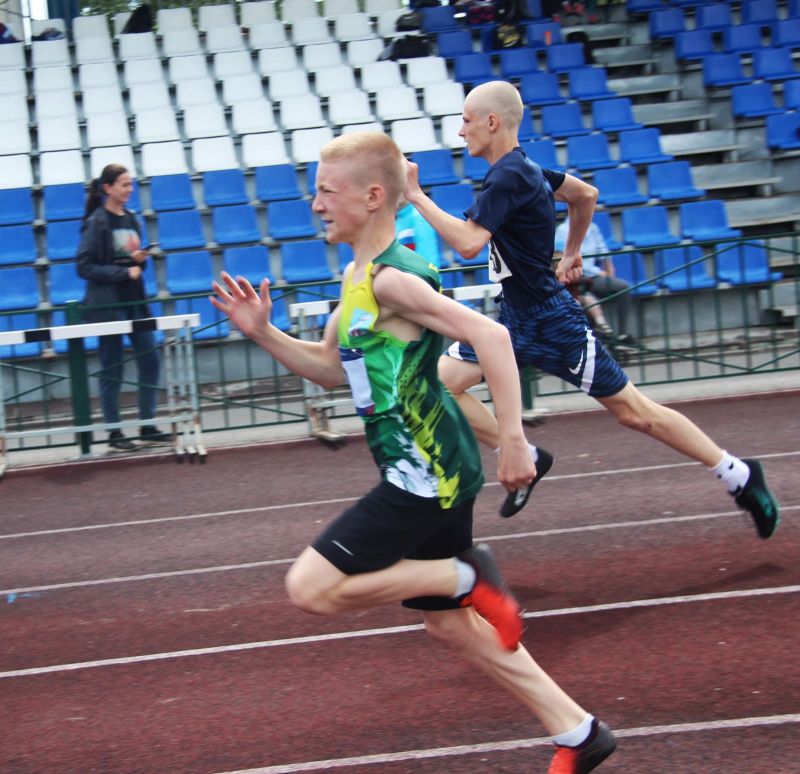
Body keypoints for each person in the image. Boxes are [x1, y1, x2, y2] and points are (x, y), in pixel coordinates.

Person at [210, 131, 617, 773]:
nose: (316, 204)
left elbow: (492, 337)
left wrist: (514, 441)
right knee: (450, 625)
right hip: (429, 463)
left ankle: (466, 576)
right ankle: (579, 732)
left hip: (426, 471)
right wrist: (264, 333)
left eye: (327, 191)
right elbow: (329, 369)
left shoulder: (393, 279)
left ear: (374, 197)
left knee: (312, 587)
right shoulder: (359, 277)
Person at [403, 80, 781, 539]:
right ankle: (523, 454)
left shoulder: (509, 175)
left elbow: (468, 243)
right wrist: (571, 253)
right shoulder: (528, 170)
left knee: (635, 413)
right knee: (434, 386)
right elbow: (585, 195)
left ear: (492, 122)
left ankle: (738, 474)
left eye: (466, 121)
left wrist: (416, 196)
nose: (461, 131)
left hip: (551, 322)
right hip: (511, 321)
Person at [76, 164, 170, 451]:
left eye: (131, 184)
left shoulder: (132, 218)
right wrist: (123, 272)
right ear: (108, 188)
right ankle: (114, 432)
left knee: (150, 361)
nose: (130, 189)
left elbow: (132, 265)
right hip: (108, 306)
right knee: (112, 368)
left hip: (135, 301)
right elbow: (84, 266)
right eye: (124, 184)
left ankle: (147, 425)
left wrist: (139, 260)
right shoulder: (97, 222)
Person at [553, 217, 633, 344]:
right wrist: (597, 272)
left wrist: (609, 267)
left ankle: (621, 335)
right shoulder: (563, 230)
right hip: (574, 276)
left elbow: (603, 251)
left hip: (592, 277)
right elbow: (562, 259)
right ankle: (597, 332)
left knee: (623, 288)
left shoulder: (593, 228)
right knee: (585, 297)